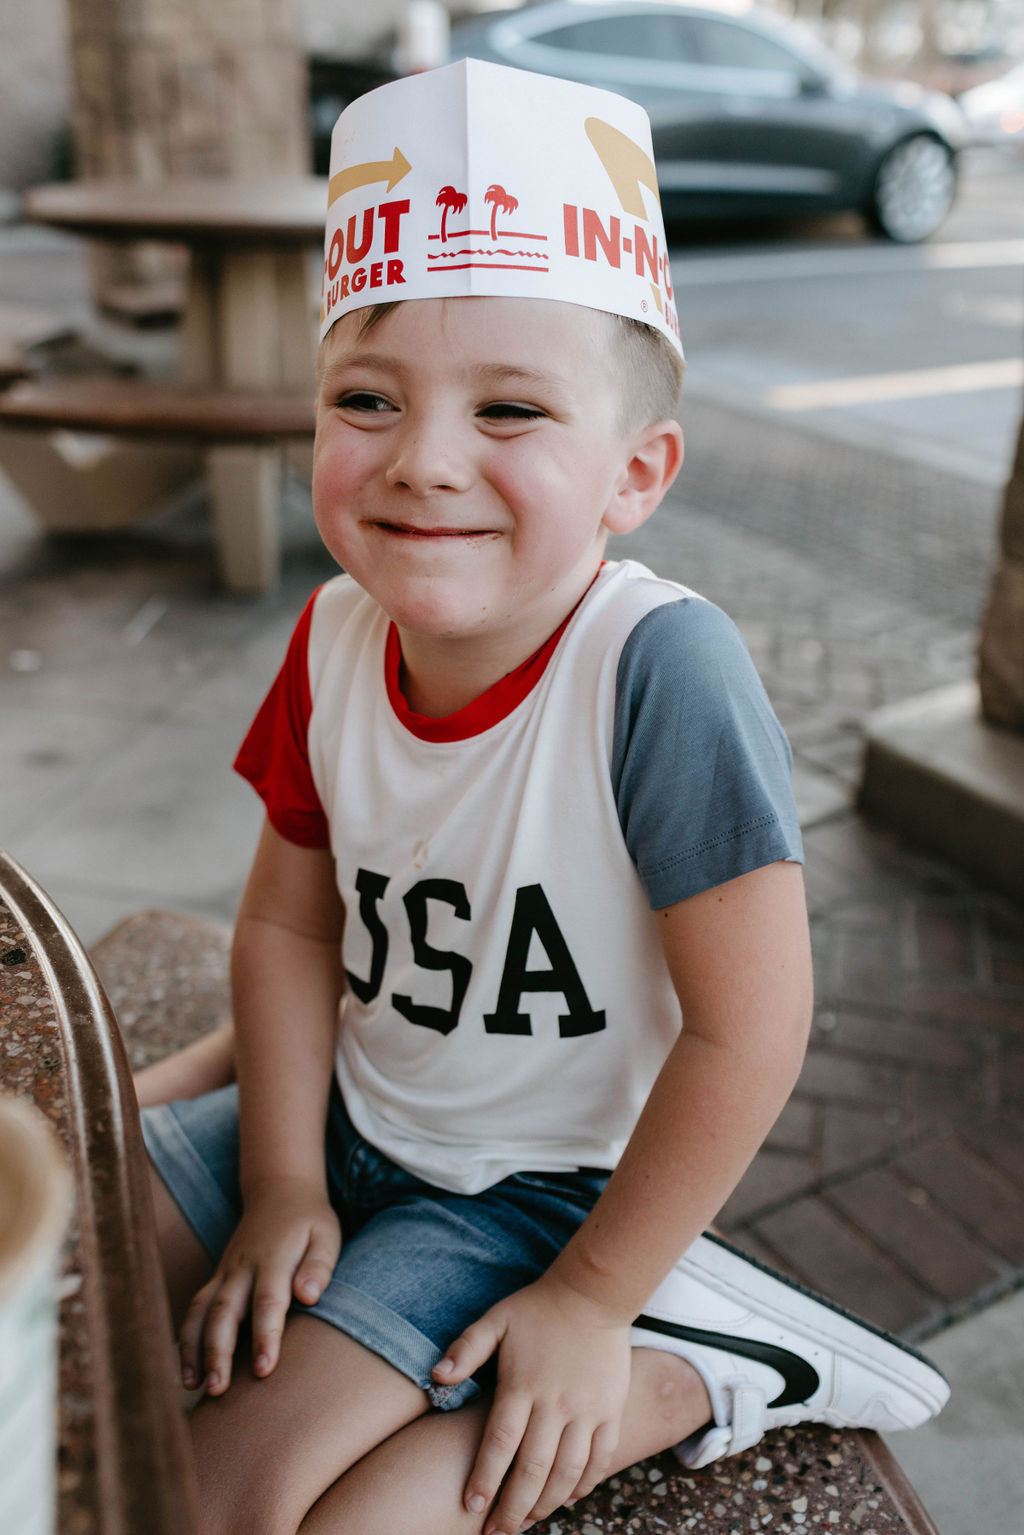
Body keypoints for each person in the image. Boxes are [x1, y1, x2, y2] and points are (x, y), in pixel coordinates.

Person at [136, 60, 948, 1535]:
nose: (425, 460)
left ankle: (687, 1363)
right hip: (346, 1116)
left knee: (241, 1504)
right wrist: (278, 1181)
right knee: (59, 1277)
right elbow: (291, 928)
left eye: (510, 409)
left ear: (637, 471)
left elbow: (749, 1025)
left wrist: (584, 1300)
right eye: (364, 397)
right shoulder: (333, 636)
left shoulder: (660, 671)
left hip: (533, 1195)